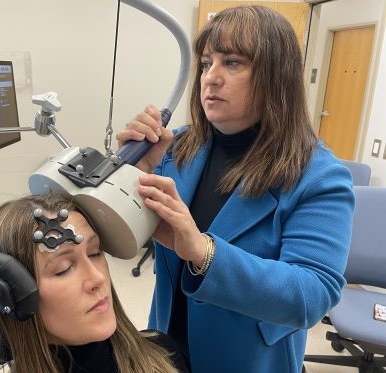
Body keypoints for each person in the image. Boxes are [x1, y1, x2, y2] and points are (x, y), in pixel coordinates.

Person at [116, 5, 355, 373]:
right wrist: (134, 170)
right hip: (167, 348)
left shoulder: (320, 177)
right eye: (207, 63)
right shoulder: (178, 146)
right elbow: (123, 233)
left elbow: (312, 294)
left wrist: (203, 252)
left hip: (249, 361)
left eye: (232, 63)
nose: (210, 78)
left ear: (277, 76)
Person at [0, 193, 189, 373]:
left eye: (95, 253)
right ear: (13, 295)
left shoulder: (164, 357)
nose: (98, 278)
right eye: (63, 269)